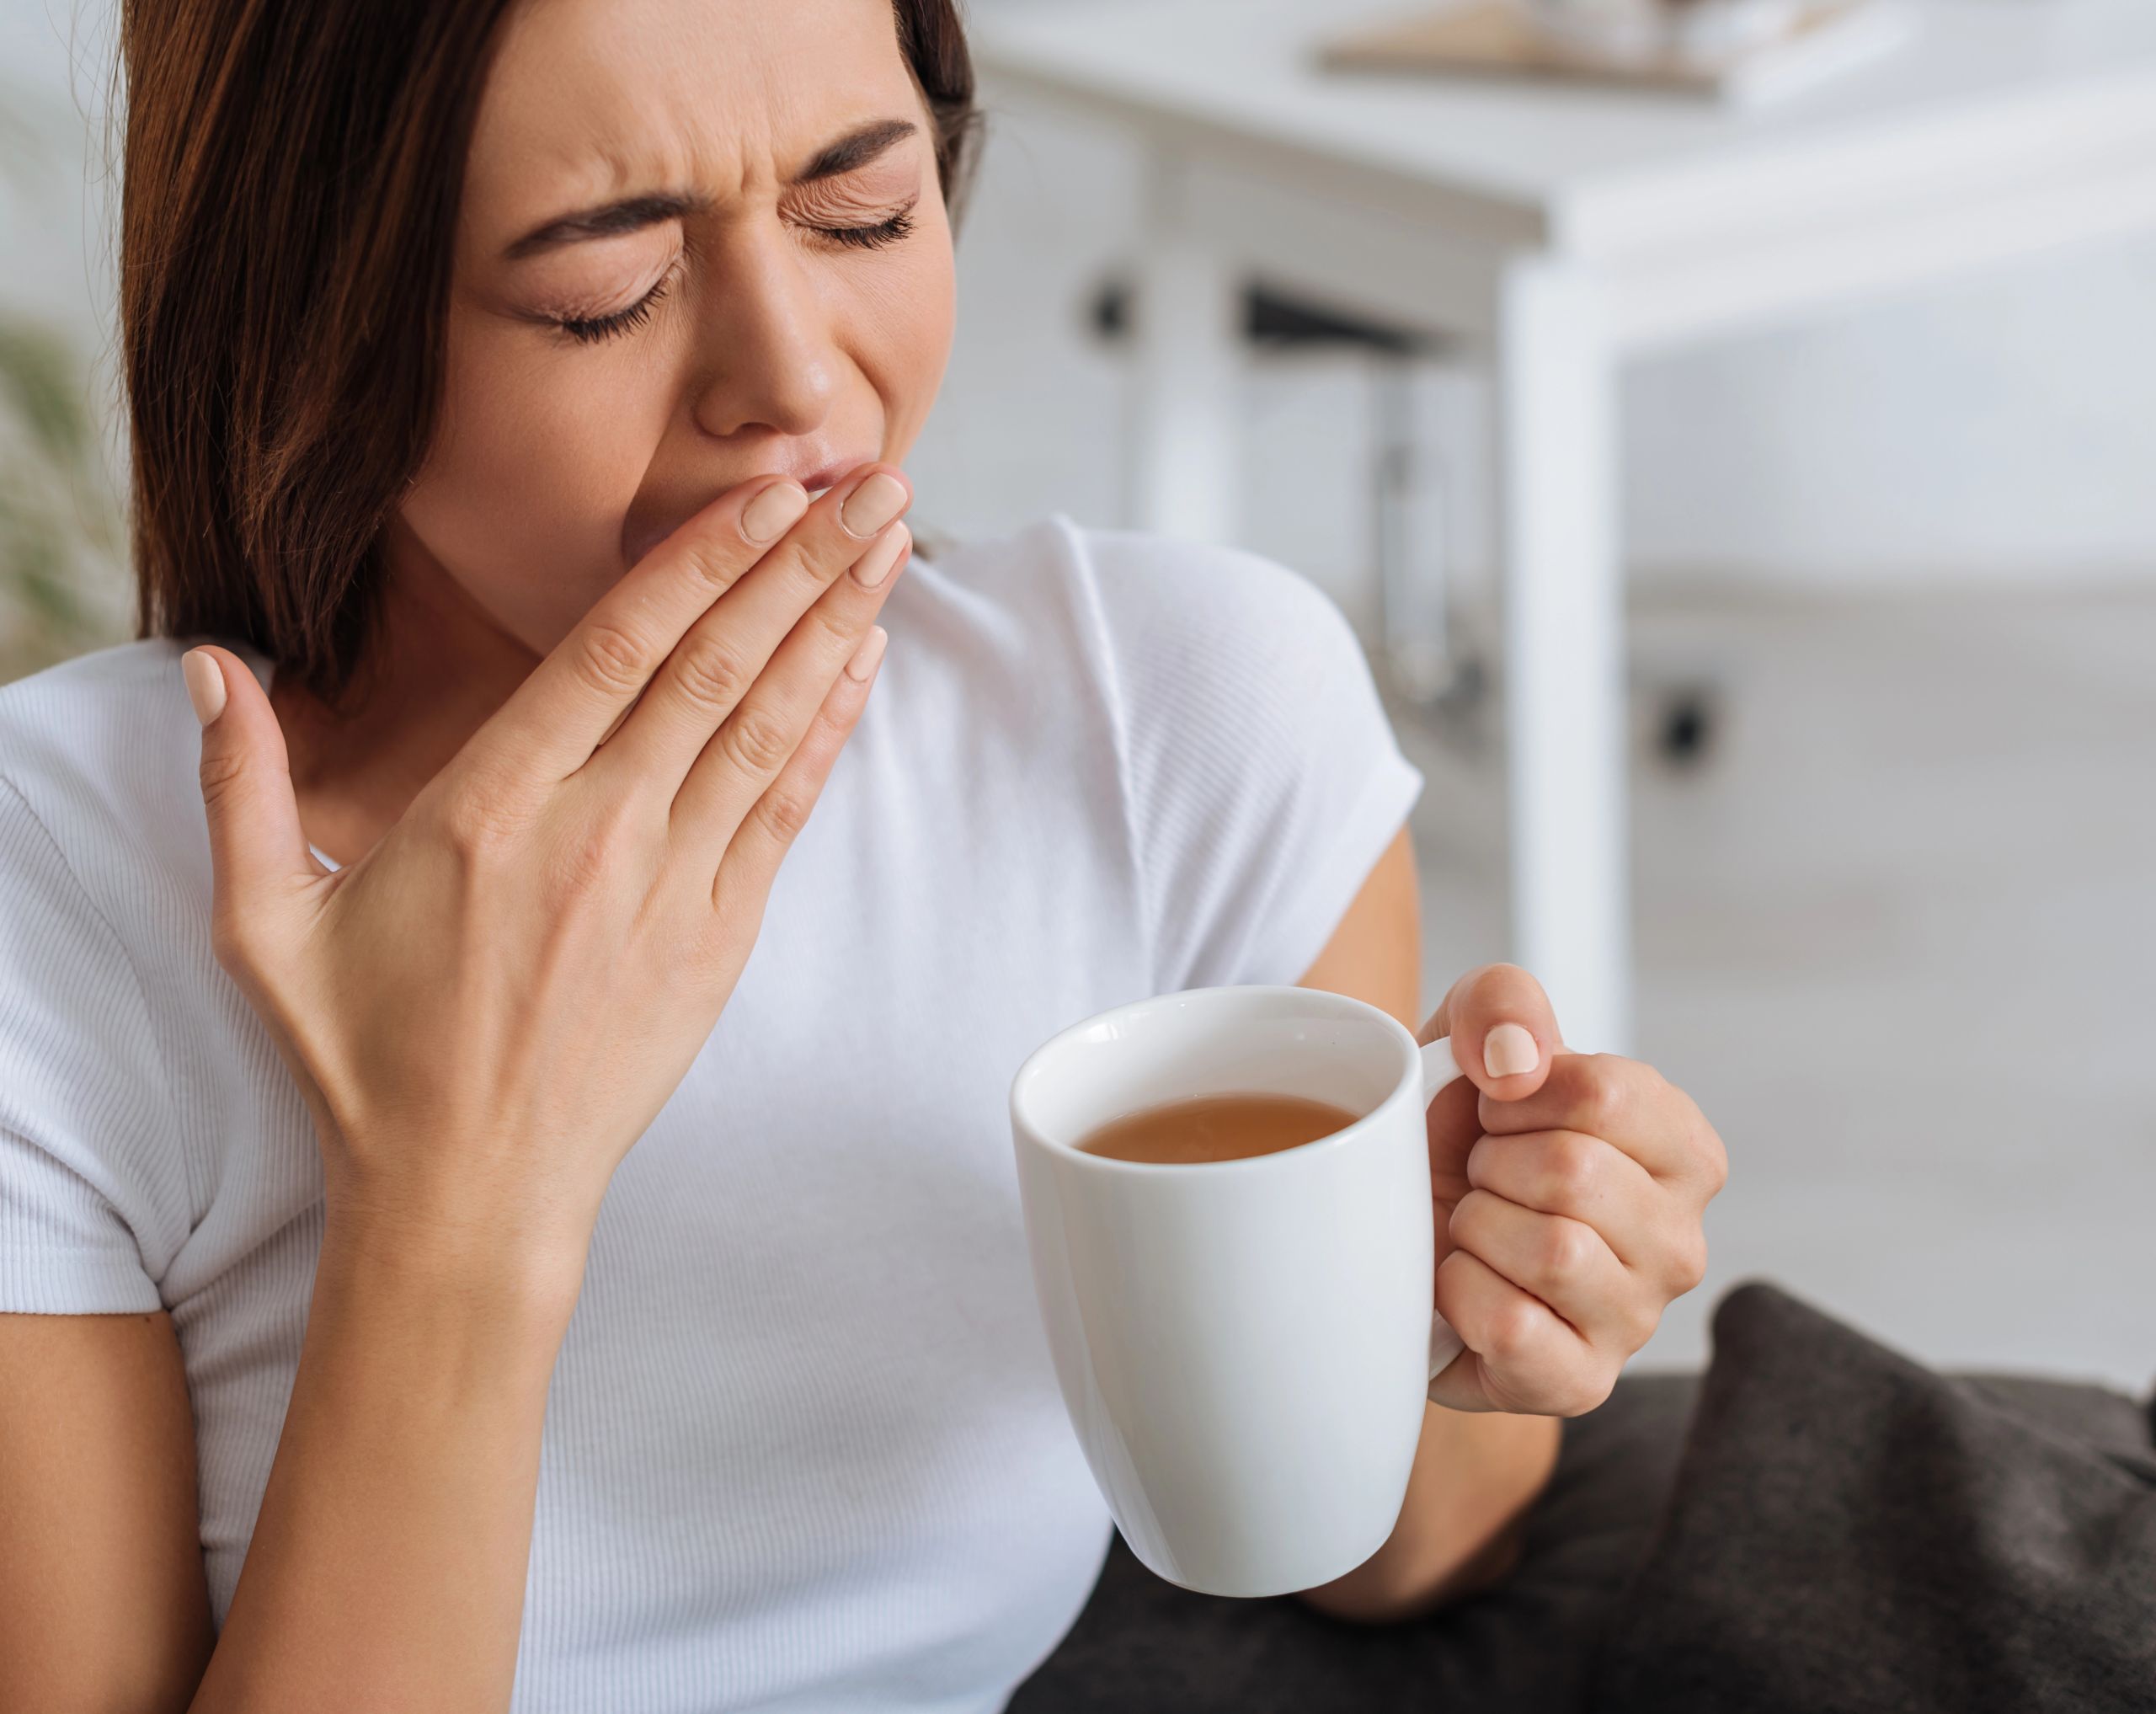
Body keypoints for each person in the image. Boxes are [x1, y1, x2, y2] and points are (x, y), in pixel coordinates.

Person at [0, 0, 1728, 1707]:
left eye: (861, 212)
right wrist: (454, 1194)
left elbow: (1396, 1549)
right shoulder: (61, 889)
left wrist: (1489, 1277)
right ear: (313, 315)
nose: (797, 381)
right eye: (600, 287)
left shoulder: (1171, 722)